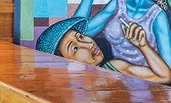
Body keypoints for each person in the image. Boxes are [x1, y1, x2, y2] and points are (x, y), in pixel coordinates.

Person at [36, 17, 171, 83]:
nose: (88, 44)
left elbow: (163, 76)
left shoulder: (113, 68)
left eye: (81, 36)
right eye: (75, 48)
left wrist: (143, 45)